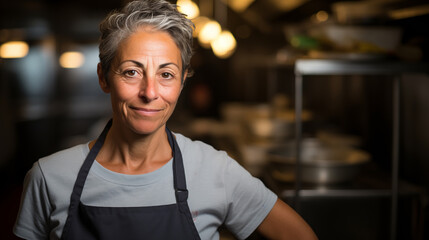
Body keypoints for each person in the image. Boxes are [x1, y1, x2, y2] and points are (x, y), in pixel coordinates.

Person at [13, 0, 318, 239]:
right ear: (104, 78)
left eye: (166, 74)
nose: (150, 92)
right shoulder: (49, 178)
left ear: (182, 82)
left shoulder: (215, 171)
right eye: (131, 72)